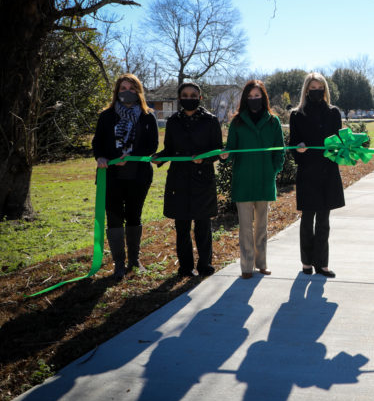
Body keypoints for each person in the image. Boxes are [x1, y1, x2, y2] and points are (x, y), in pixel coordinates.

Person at [92, 73, 159, 280]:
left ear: (138, 91)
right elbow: (98, 143)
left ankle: (134, 260)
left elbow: (152, 145)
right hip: (111, 176)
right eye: (123, 89)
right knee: (114, 218)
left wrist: (132, 156)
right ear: (116, 92)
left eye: (131, 89)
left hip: (138, 176)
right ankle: (119, 264)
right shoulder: (107, 116)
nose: (127, 92)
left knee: (134, 216)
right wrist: (104, 157)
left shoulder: (148, 116)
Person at [153, 82, 223, 277]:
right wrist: (160, 157)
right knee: (182, 227)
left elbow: (218, 150)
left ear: (200, 98)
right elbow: (169, 149)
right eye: (185, 95)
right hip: (179, 180)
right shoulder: (173, 121)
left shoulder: (211, 120)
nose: (189, 98)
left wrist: (204, 158)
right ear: (180, 98)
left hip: (203, 180)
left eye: (193, 95)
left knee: (203, 226)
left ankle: (205, 265)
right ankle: (185, 267)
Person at [221, 80, 285, 279]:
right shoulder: (237, 121)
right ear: (245, 99)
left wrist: (273, 170)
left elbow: (279, 151)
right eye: (250, 96)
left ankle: (261, 263)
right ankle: (246, 266)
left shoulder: (273, 122)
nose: (254, 99)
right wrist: (226, 155)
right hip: (244, 180)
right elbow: (231, 148)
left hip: (265, 181)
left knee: (262, 227)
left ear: (263, 97)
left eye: (257, 96)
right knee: (245, 228)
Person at [288, 72, 344, 278]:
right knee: (307, 219)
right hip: (307, 172)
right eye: (312, 89)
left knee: (324, 220)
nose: (316, 92)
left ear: (325, 90)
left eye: (320, 88)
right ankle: (306, 262)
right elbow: (293, 142)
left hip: (328, 172)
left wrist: (342, 151)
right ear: (306, 90)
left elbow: (339, 141)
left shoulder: (333, 112)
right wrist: (298, 148)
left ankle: (322, 264)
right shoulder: (297, 114)